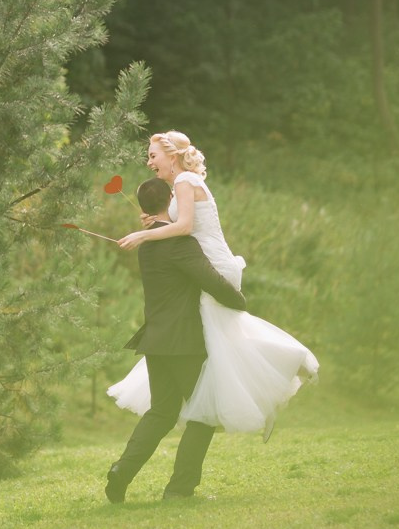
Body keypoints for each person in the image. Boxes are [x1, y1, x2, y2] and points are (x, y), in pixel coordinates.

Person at [109, 130, 319, 440]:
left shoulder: (183, 181)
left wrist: (143, 235)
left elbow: (184, 227)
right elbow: (178, 226)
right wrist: (154, 222)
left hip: (213, 266)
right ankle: (256, 398)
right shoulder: (183, 183)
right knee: (220, 344)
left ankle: (285, 367)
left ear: (172, 156)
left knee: (224, 342)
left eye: (153, 155)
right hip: (207, 262)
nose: (149, 161)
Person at [105, 177, 248, 504]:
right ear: (171, 199)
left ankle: (120, 472)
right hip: (183, 342)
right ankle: (179, 489)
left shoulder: (148, 247)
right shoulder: (180, 245)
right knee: (204, 413)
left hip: (155, 340)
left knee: (162, 412)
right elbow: (211, 281)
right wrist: (238, 301)